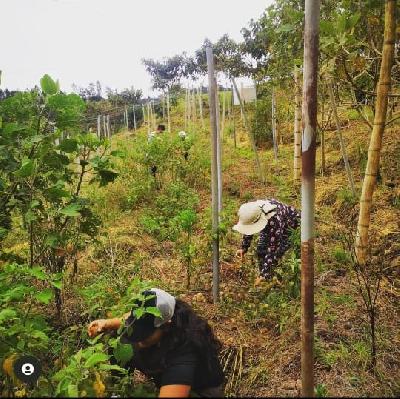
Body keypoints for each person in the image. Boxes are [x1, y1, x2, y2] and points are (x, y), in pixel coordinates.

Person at [87, 288, 225, 398]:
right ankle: (119, 390)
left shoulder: (184, 352)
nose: (140, 341)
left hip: (200, 389)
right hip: (165, 363)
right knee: (120, 339)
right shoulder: (160, 313)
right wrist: (107, 323)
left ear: (166, 326)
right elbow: (131, 317)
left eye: (145, 333)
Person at [233, 198, 300, 283]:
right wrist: (244, 247)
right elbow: (249, 227)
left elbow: (273, 249)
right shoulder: (252, 212)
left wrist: (265, 273)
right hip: (270, 225)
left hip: (289, 227)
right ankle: (264, 276)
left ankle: (272, 280)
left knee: (277, 254)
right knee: (261, 250)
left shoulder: (275, 219)